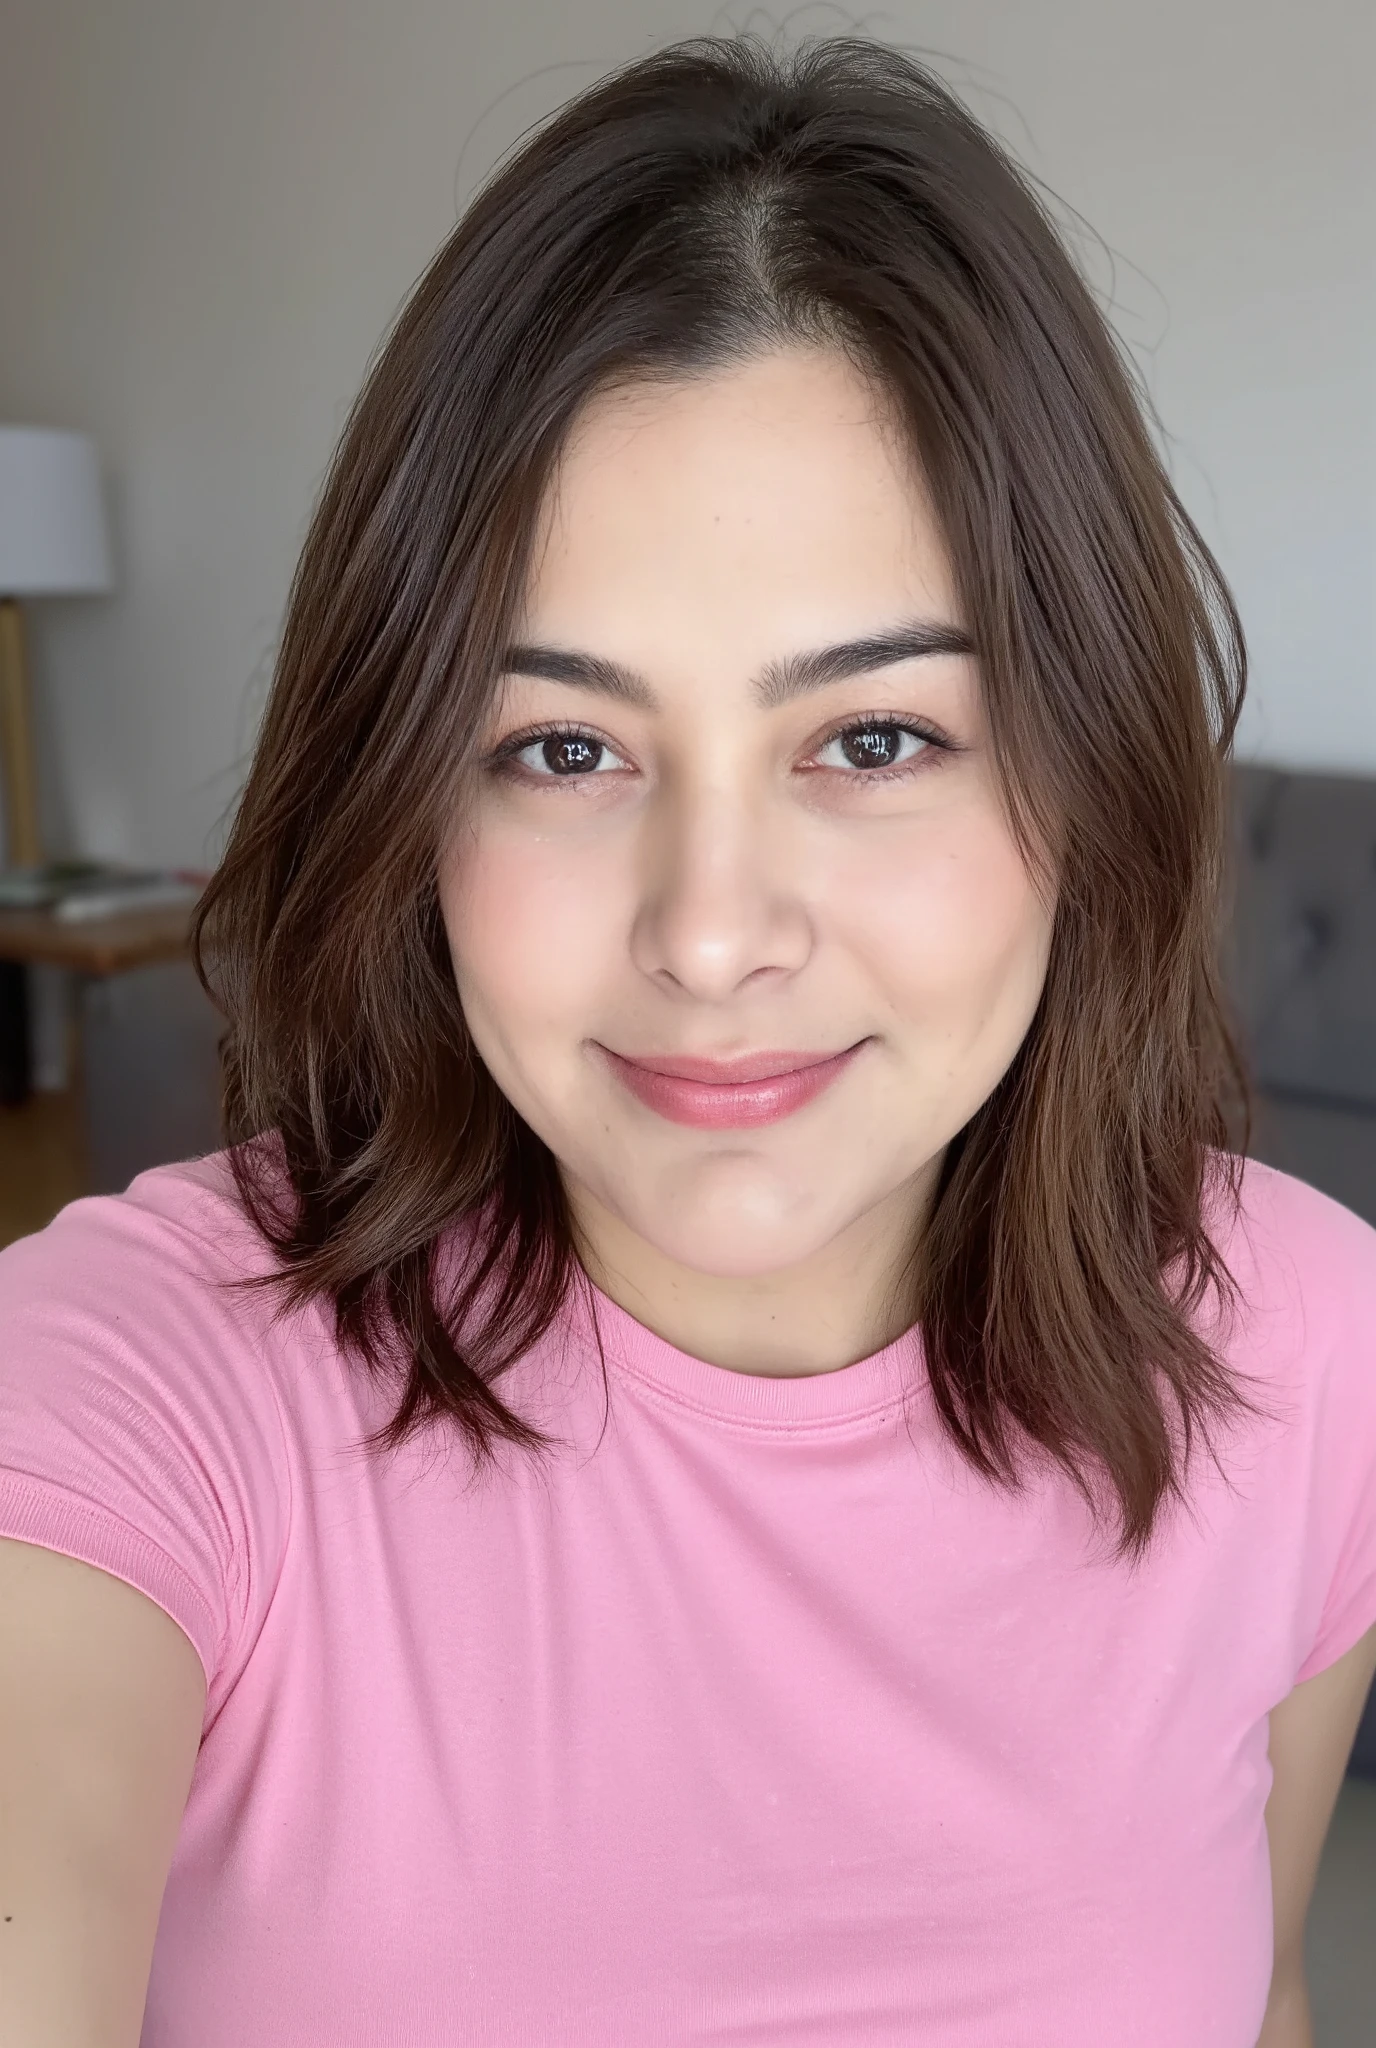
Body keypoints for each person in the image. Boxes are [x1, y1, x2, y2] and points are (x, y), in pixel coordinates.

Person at [1, 33, 1373, 2048]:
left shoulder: (1306, 1355)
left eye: (874, 737)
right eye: (561, 746)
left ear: (1082, 785)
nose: (711, 929)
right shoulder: (157, 1375)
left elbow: (1251, 1989)